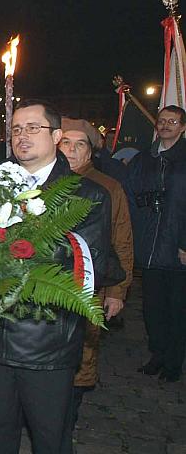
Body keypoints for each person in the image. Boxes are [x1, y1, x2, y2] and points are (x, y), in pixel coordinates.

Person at [0, 99, 111, 454]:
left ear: (57, 136)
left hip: (47, 342)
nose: (22, 136)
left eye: (33, 128)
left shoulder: (87, 195)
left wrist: (10, 247)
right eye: (16, 129)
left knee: (50, 439)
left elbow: (84, 266)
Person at [59, 117, 133, 430]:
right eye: (66, 143)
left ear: (90, 151)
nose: (72, 150)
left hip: (89, 288)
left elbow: (122, 242)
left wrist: (117, 292)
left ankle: (66, 422)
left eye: (80, 144)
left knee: (81, 358)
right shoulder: (41, 181)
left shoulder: (108, 188)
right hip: (46, 287)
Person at [125, 105, 186, 383]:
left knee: (177, 307)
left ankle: (174, 361)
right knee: (152, 307)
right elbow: (130, 194)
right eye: (162, 121)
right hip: (149, 242)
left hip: (176, 245)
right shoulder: (143, 160)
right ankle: (158, 354)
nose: (166, 125)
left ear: (182, 127)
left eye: (172, 121)